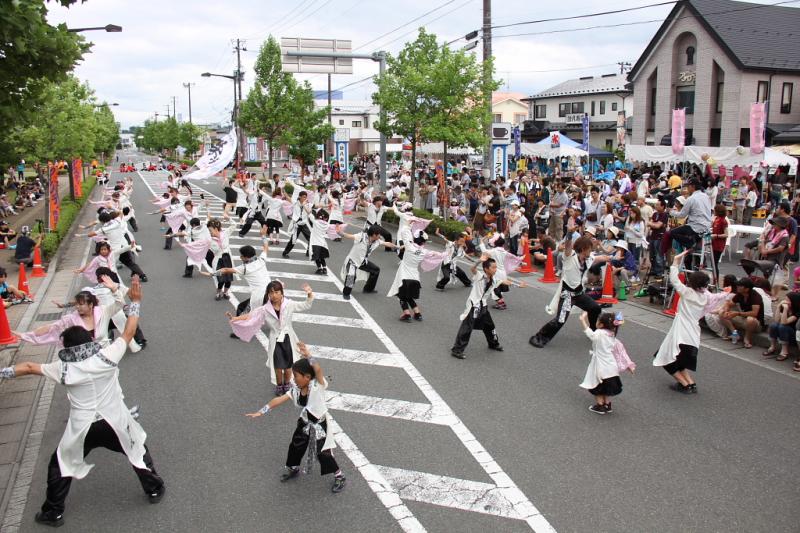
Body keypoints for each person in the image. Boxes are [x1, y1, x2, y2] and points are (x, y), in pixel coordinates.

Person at [0, 277, 165, 527]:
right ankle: (154, 489)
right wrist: (137, 303)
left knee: (60, 466)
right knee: (137, 450)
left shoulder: (63, 368)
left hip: (82, 427)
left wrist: (4, 372)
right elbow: (129, 331)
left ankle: (53, 512)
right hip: (114, 421)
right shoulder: (106, 357)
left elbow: (30, 366)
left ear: (67, 347)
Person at [245, 342, 346, 493]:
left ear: (307, 377)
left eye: (296, 375)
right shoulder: (296, 390)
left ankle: (339, 476)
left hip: (319, 424)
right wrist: (262, 411)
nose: (293, 378)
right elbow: (279, 400)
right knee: (296, 446)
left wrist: (309, 356)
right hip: (304, 422)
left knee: (323, 452)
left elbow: (317, 369)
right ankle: (293, 468)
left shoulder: (318, 385)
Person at [230, 282, 314, 395]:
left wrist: (309, 295)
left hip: (288, 338)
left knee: (289, 365)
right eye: (271, 293)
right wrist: (235, 318)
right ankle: (280, 386)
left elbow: (305, 305)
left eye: (276, 292)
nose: (274, 295)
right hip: (275, 339)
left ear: (281, 293)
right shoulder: (265, 309)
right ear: (268, 294)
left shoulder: (289, 304)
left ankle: (287, 383)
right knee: (278, 366)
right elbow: (251, 315)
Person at [530, 236, 602, 348]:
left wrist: (610, 258)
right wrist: (570, 233)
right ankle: (540, 337)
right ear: (583, 248)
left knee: (595, 308)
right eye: (590, 249)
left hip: (579, 294)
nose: (591, 251)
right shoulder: (570, 256)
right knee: (560, 320)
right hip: (567, 295)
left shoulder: (588, 259)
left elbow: (600, 258)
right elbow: (568, 246)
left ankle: (593, 330)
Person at [653, 250, 708, 393]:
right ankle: (691, 383)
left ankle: (685, 384)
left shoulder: (687, 292)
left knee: (667, 359)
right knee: (680, 361)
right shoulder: (705, 297)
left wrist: (675, 262)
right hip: (693, 336)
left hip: (680, 334)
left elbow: (674, 279)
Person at [450, 256, 525, 359]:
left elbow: (505, 282)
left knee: (490, 326)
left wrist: (518, 285)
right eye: (493, 267)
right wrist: (479, 261)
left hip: (483, 305)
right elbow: (472, 269)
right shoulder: (480, 276)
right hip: (474, 305)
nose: (495, 269)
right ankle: (457, 350)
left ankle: (493, 344)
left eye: (496, 267)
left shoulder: (494, 279)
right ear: (486, 269)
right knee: (467, 327)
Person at [579, 311, 635, 414]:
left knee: (598, 387)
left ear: (601, 324)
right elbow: (620, 351)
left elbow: (590, 334)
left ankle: (600, 406)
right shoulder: (612, 335)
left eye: (597, 321)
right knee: (607, 388)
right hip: (611, 367)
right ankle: (608, 405)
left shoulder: (600, 333)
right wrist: (629, 365)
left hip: (600, 367)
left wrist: (583, 320)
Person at [387, 229, 444, 322]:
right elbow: (437, 254)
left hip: (404, 277)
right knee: (409, 297)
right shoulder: (425, 252)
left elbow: (404, 232)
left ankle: (407, 314)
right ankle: (417, 314)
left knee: (401, 296)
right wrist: (445, 254)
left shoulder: (409, 246)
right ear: (424, 242)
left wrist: (409, 225)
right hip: (415, 278)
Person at [339, 225, 397, 300]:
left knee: (376, 270)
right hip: (352, 261)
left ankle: (368, 289)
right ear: (374, 234)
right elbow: (349, 236)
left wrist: (398, 247)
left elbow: (387, 243)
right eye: (378, 234)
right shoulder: (361, 237)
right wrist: (340, 232)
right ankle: (346, 293)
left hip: (362, 262)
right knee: (351, 276)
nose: (380, 236)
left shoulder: (376, 241)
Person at [719, 277, 765, 349]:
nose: (737, 287)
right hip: (743, 319)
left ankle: (747, 338)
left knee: (750, 319)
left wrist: (738, 313)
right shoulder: (740, 294)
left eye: (740, 286)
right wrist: (726, 310)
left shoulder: (755, 296)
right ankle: (734, 333)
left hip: (756, 323)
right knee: (722, 313)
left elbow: (754, 313)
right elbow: (729, 303)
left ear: (747, 289)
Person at [764, 292, 800, 361]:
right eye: (785, 299)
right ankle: (772, 347)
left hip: (793, 336)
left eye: (788, 300)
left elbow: (784, 322)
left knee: (782, 327)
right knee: (774, 325)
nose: (785, 302)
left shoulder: (798, 311)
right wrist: (778, 307)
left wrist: (786, 309)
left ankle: (784, 351)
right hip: (783, 333)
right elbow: (776, 320)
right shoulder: (784, 307)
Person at [282, 191, 311, 258]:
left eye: (306, 197)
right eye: (304, 197)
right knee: (293, 240)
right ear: (300, 197)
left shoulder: (307, 204)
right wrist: (283, 191)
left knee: (310, 238)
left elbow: (312, 208)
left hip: (303, 223)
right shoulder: (295, 202)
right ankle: (285, 253)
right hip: (297, 224)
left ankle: (308, 252)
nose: (305, 198)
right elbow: (287, 197)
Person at [710, 204, 729, 286]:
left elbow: (726, 234)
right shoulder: (716, 219)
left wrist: (716, 236)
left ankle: (715, 281)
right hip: (713, 244)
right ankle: (714, 280)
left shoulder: (723, 221)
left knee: (714, 263)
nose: (713, 211)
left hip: (719, 245)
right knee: (712, 263)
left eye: (715, 210)